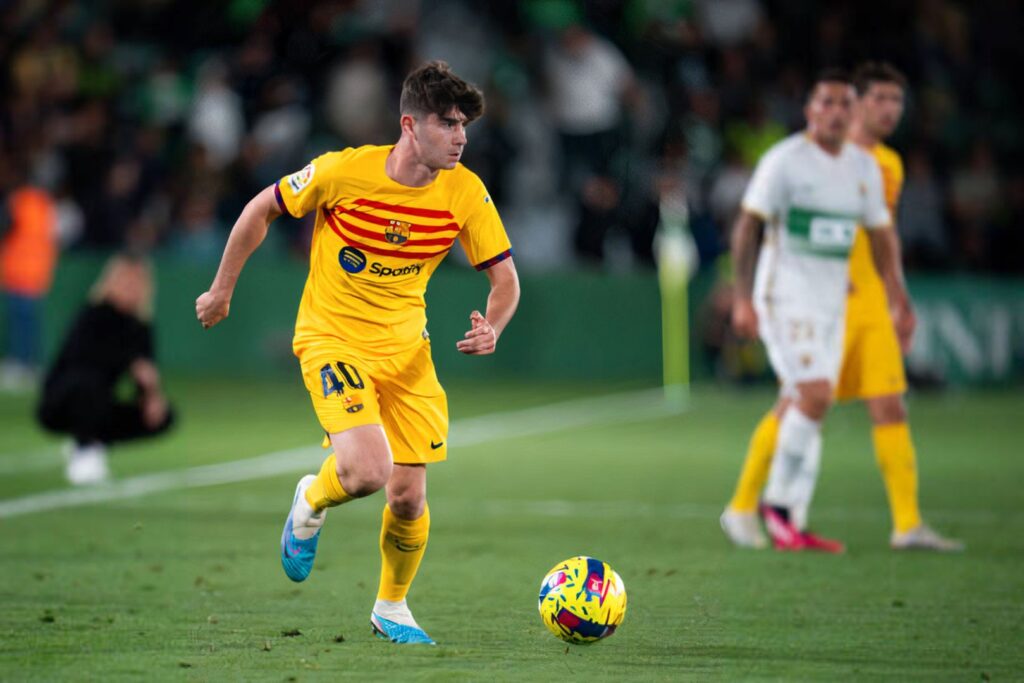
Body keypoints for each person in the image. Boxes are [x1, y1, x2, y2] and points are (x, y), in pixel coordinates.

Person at [195, 61, 519, 644]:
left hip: (407, 353)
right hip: (332, 339)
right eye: (448, 124)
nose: (461, 137)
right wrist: (222, 288)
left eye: (465, 125)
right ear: (409, 125)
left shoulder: (465, 192)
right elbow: (259, 208)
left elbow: (505, 282)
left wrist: (493, 326)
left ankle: (390, 608)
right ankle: (311, 497)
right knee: (368, 472)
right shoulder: (344, 172)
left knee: (408, 494)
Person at [720, 63, 962, 552]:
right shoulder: (786, 161)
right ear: (813, 109)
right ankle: (761, 507)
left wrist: (898, 298)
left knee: (863, 403)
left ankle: (903, 522)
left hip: (853, 303)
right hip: (788, 297)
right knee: (805, 396)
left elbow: (881, 236)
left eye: (897, 100)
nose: (888, 110)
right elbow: (748, 226)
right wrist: (742, 295)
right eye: (879, 99)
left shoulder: (876, 168)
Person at [36, 253, 173, 485]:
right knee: (88, 384)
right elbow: (82, 362)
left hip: (100, 402)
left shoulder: (140, 326)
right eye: (126, 280)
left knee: (163, 415)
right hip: (61, 403)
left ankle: (95, 440)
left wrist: (151, 394)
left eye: (137, 282)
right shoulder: (93, 314)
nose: (132, 287)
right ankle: (84, 448)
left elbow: (146, 373)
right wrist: (130, 362)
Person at [0, 160, 58, 391]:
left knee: (20, 321)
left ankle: (20, 363)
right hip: (36, 273)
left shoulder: (19, 201)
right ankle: (30, 365)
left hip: (18, 271)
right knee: (29, 321)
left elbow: (5, 228)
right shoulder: (46, 205)